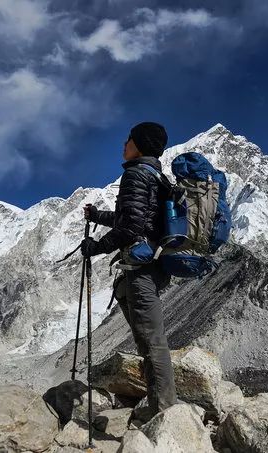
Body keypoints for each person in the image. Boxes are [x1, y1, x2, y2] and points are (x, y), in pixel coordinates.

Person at [80, 121, 178, 414]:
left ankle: (165, 411)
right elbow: (138, 218)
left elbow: (132, 226)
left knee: (152, 341)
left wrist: (97, 247)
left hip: (142, 266)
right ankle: (158, 400)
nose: (124, 143)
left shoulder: (136, 174)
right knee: (142, 327)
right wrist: (98, 216)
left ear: (140, 144)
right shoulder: (156, 177)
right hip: (154, 265)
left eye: (129, 139)